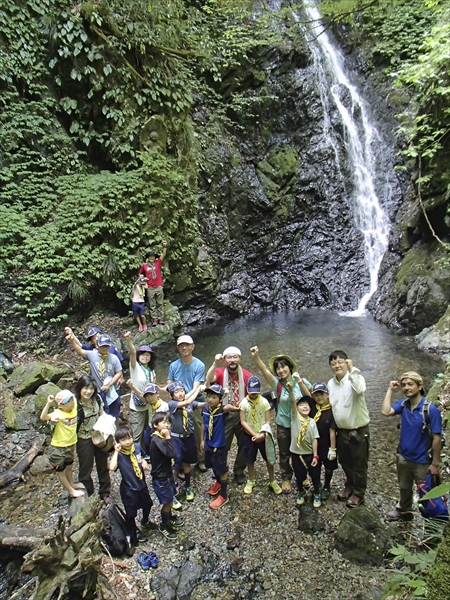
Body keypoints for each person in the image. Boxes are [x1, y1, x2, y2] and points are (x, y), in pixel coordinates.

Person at [381, 372, 443, 521]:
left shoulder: (430, 409)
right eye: (404, 385)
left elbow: (436, 438)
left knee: (427, 493)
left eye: (410, 384)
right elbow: (385, 411)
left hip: (422, 461)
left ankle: (432, 523)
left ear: (420, 386)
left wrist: (435, 463)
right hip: (404, 457)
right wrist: (390, 390)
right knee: (404, 487)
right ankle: (405, 512)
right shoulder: (404, 405)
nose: (406, 388)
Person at [250, 346, 311, 494]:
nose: (281, 371)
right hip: (283, 423)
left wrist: (300, 383)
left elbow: (310, 398)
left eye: (283, 367)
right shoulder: (277, 384)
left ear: (290, 368)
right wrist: (256, 356)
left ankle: (303, 476)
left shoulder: (300, 380)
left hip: (300, 423)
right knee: (284, 452)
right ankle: (286, 477)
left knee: (302, 450)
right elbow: (264, 370)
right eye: (278, 368)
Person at [327, 350, 369, 508]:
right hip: (341, 431)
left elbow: (359, 390)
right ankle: (350, 485)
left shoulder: (355, 378)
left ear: (347, 362)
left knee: (359, 463)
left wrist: (353, 370)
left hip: (358, 430)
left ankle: (359, 493)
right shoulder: (331, 384)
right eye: (333, 363)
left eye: (340, 362)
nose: (337, 365)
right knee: (345, 461)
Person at [206, 346, 253, 485]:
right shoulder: (220, 372)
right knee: (221, 445)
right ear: (225, 360)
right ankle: (221, 469)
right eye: (229, 357)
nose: (232, 360)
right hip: (223, 413)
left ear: (240, 358)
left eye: (235, 357)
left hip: (241, 413)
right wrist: (215, 363)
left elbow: (253, 396)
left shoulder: (247, 375)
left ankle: (239, 470)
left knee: (244, 444)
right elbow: (209, 379)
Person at [167, 335, 206, 471]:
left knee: (197, 431)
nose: (184, 347)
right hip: (178, 403)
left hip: (194, 402)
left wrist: (185, 401)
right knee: (179, 433)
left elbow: (196, 388)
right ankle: (184, 462)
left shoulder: (199, 365)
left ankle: (201, 459)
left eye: (187, 345)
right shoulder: (173, 365)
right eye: (181, 345)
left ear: (192, 346)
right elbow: (169, 385)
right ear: (177, 348)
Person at [65, 328, 123, 418]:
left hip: (112, 390)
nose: (104, 348)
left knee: (114, 414)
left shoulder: (114, 358)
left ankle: (115, 430)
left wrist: (109, 385)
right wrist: (72, 341)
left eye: (106, 346)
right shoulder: (92, 355)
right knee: (101, 412)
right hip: (97, 391)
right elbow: (80, 350)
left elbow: (118, 373)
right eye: (102, 346)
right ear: (97, 345)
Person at [109, 425, 154, 541]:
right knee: (131, 513)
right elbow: (112, 467)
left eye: (129, 438)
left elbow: (142, 456)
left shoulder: (137, 447)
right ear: (118, 442)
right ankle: (134, 530)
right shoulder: (119, 455)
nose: (127, 442)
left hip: (141, 484)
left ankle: (145, 521)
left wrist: (144, 461)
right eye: (123, 440)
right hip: (129, 488)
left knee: (148, 503)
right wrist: (116, 452)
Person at [239, 376, 282, 495]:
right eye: (251, 392)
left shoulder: (264, 402)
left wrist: (262, 434)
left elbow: (268, 420)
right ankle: (251, 480)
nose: (254, 394)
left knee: (269, 458)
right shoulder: (243, 403)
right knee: (250, 458)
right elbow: (243, 421)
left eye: (256, 392)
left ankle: (272, 480)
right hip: (249, 435)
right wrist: (254, 434)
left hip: (264, 434)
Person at [40, 389, 85, 498]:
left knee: (69, 466)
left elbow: (74, 396)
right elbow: (43, 417)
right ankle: (71, 491)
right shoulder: (58, 413)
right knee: (61, 471)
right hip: (58, 447)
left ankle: (72, 484)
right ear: (61, 405)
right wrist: (49, 403)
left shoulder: (73, 408)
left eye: (71, 400)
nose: (72, 403)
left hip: (71, 444)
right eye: (68, 401)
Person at [166, 381, 205, 502]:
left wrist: (215, 400)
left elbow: (201, 404)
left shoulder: (190, 404)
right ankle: (172, 490)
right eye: (176, 392)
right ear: (172, 395)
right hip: (176, 438)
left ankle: (188, 486)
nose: (180, 393)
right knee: (176, 463)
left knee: (187, 462)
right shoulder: (172, 404)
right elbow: (187, 402)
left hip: (189, 437)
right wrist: (198, 390)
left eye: (181, 391)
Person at [75, 374, 112, 502]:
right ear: (80, 388)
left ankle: (105, 492)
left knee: (102, 464)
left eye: (91, 388)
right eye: (85, 388)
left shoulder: (96, 398)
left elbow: (101, 412)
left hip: (99, 435)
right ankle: (88, 493)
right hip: (83, 438)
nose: (88, 391)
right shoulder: (75, 405)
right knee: (86, 466)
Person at [149, 413, 184, 540]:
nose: (167, 425)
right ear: (155, 425)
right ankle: (164, 525)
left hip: (166, 473)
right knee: (167, 502)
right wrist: (169, 437)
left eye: (168, 422)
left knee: (170, 496)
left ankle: (169, 517)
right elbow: (170, 453)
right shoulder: (156, 439)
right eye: (163, 422)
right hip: (161, 477)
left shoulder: (160, 437)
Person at [287, 386, 321, 508]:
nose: (305, 406)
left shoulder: (312, 422)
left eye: (307, 405)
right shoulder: (295, 418)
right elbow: (292, 401)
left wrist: (316, 455)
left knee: (315, 475)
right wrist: (291, 390)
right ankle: (301, 491)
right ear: (297, 408)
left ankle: (316, 492)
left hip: (310, 454)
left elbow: (315, 439)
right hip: (297, 453)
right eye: (301, 405)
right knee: (299, 475)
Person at [200, 383, 231, 509]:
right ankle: (218, 482)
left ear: (220, 399)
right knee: (212, 465)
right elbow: (203, 423)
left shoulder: (222, 410)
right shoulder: (205, 408)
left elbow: (230, 407)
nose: (210, 399)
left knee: (221, 468)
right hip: (208, 442)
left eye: (214, 397)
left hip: (219, 445)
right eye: (208, 396)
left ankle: (224, 495)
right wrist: (202, 440)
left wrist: (232, 404)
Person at [306, 382, 337, 501]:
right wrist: (299, 382)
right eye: (316, 395)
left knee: (329, 467)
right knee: (314, 466)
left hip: (327, 445)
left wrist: (333, 449)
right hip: (314, 445)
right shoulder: (313, 408)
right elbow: (306, 393)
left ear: (327, 395)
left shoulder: (331, 411)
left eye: (322, 394)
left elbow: (332, 431)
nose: (319, 397)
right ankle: (317, 484)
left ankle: (327, 486)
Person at [124, 331, 157, 443]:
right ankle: (135, 456)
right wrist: (129, 340)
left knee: (147, 431)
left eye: (147, 355)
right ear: (139, 356)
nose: (145, 357)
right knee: (136, 434)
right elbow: (132, 353)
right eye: (142, 354)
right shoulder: (135, 367)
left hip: (148, 406)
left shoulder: (151, 371)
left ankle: (144, 455)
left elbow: (154, 386)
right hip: (137, 407)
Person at [127, 382, 169, 456]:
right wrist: (132, 387)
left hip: (160, 429)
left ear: (157, 394)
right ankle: (149, 456)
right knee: (147, 441)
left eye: (152, 395)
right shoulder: (149, 405)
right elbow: (140, 395)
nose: (150, 398)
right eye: (147, 396)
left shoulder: (164, 406)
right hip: (150, 427)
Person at [139, 241, 168, 326]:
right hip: (150, 287)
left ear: (155, 257)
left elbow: (163, 254)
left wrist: (165, 246)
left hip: (158, 286)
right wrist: (143, 282)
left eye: (153, 256)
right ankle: (154, 319)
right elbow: (140, 274)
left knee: (160, 303)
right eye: (150, 256)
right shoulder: (144, 265)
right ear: (148, 257)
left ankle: (161, 318)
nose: (151, 257)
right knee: (152, 304)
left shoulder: (158, 262)